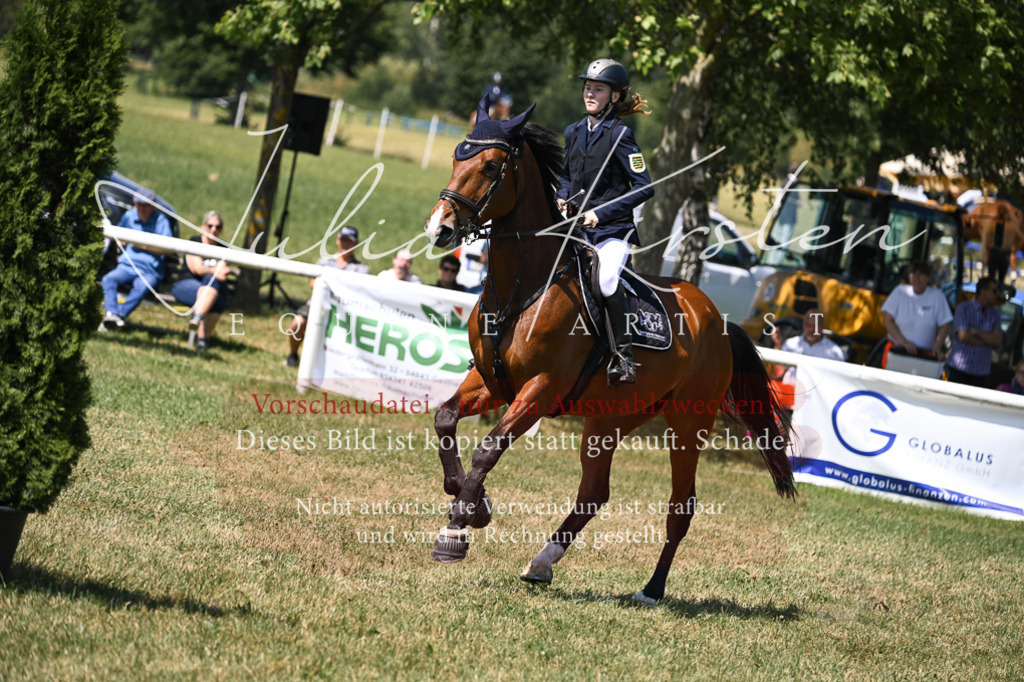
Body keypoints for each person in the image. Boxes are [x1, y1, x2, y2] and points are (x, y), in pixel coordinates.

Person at [556, 58, 654, 387]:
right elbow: (566, 177)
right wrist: (561, 196)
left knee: (608, 280)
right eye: (587, 87)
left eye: (598, 89)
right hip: (577, 229)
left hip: (612, 232)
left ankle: (622, 356)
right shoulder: (572, 132)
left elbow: (645, 186)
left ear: (614, 97)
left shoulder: (622, 136)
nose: (589, 93)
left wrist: (602, 212)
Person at [285, 226, 370, 367]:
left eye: (349, 241)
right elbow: (313, 283)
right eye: (343, 240)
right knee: (298, 322)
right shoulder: (325, 262)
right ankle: (293, 354)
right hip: (318, 304)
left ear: (356, 244)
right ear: (337, 241)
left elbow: (358, 292)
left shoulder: (361, 269)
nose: (345, 244)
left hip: (344, 310)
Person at [99, 188, 174, 330]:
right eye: (138, 204)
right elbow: (118, 233)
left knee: (141, 287)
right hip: (126, 266)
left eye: (145, 205)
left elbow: (168, 249)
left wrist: (144, 246)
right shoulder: (129, 216)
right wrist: (120, 240)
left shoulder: (161, 221)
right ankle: (112, 314)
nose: (141, 208)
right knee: (108, 279)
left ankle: (117, 316)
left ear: (153, 205)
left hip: (150, 271)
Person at [170, 211, 238, 350]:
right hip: (186, 285)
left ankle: (200, 328)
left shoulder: (223, 248)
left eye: (217, 227)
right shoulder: (194, 242)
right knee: (212, 289)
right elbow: (197, 269)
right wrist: (215, 269)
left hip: (211, 289)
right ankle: (203, 338)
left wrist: (214, 271)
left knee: (213, 287)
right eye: (210, 225)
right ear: (203, 226)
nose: (213, 229)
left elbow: (223, 274)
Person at [881, 260, 953, 360]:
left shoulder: (937, 296)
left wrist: (937, 345)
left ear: (928, 278)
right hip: (897, 350)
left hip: (924, 355)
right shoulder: (900, 291)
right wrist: (904, 343)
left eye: (921, 275)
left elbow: (945, 324)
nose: (917, 278)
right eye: (914, 274)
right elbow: (887, 320)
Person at [945, 277, 1003, 387]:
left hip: (980, 372)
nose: (997, 294)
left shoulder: (994, 315)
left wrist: (976, 332)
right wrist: (988, 341)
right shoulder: (963, 308)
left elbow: (997, 340)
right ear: (982, 291)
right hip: (959, 368)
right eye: (994, 291)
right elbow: (963, 336)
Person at [775, 309, 847, 384]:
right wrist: (778, 345)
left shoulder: (834, 352)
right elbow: (778, 373)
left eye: (815, 326)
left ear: (823, 326)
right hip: (789, 390)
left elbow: (838, 380)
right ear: (803, 325)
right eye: (808, 325)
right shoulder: (790, 344)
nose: (812, 329)